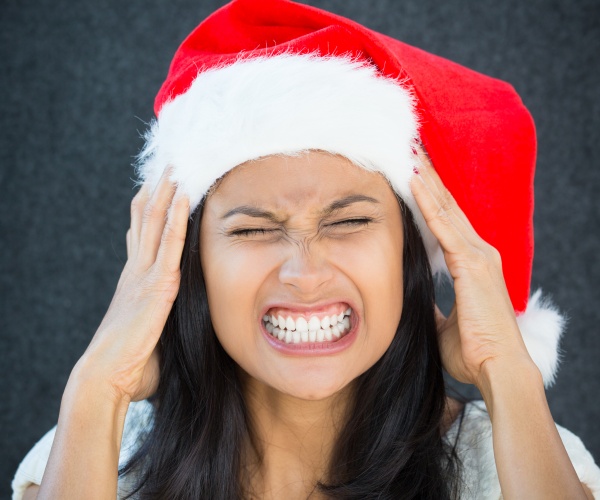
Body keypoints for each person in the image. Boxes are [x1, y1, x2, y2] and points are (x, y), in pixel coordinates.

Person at [12, 0, 600, 498]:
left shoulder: (516, 465)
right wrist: (98, 387)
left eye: (347, 222)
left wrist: (507, 369)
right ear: (190, 267)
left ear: (409, 255)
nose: (305, 272)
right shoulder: (89, 457)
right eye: (252, 230)